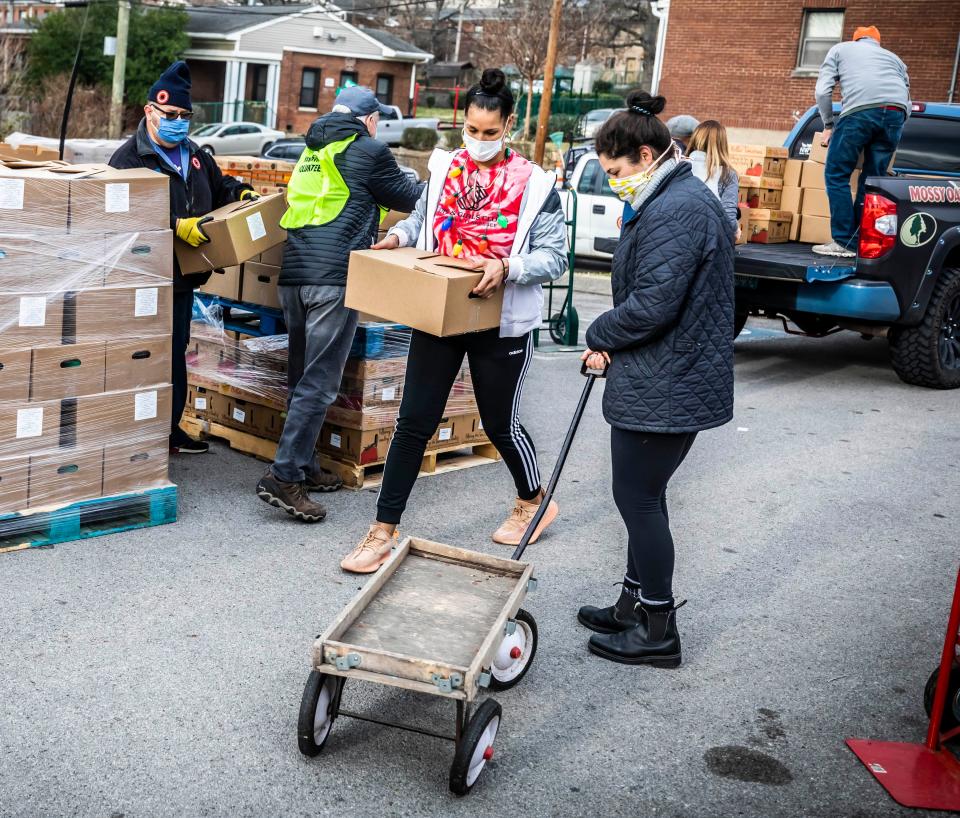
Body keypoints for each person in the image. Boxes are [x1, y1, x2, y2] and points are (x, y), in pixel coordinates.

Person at [340, 68, 568, 574]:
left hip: (501, 319)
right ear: (462, 123)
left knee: (498, 423)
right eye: (472, 130)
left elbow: (556, 257)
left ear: (508, 125)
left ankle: (534, 499)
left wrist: (508, 266)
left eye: (490, 132)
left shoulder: (535, 184)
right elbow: (422, 221)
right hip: (440, 311)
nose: (479, 141)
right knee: (413, 420)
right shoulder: (445, 169)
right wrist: (397, 239)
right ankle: (382, 530)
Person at [578, 91, 734, 667]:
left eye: (616, 171)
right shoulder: (670, 195)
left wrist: (599, 333)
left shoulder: (677, 207)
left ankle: (658, 628)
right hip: (667, 370)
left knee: (637, 496)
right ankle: (631, 606)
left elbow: (652, 304)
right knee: (644, 495)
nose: (613, 180)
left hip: (672, 377)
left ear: (646, 156)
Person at [255, 86, 423, 523]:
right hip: (333, 279)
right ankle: (285, 475)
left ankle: (306, 464)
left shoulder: (311, 146)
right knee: (320, 382)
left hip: (294, 276)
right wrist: (426, 181)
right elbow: (407, 199)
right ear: (368, 120)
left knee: (301, 376)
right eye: (377, 120)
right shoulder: (370, 149)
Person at [109, 60, 256, 456]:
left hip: (181, 278)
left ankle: (169, 431)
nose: (178, 122)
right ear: (149, 112)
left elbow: (219, 183)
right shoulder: (129, 160)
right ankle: (134, 434)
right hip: (142, 279)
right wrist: (176, 226)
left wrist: (239, 192)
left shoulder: (193, 155)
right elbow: (119, 219)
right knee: (142, 356)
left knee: (175, 355)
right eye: (170, 115)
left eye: (184, 116)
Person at [813, 25, 910, 258]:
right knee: (872, 182)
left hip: (859, 111)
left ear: (855, 40)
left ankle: (844, 242)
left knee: (836, 174)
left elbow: (822, 91)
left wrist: (828, 125)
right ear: (878, 42)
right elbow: (906, 97)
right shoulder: (895, 59)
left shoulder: (840, 49)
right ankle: (862, 240)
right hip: (896, 113)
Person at [687, 120, 739, 236]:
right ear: (723, 144)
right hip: (708, 240)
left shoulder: (678, 166)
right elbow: (729, 219)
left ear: (695, 139)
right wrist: (737, 229)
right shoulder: (727, 174)